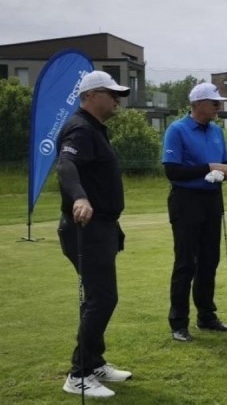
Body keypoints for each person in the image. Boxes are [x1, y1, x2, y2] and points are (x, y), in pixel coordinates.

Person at [56, 70, 133, 398]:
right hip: (84, 227)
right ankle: (79, 374)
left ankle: (94, 362)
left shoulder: (95, 129)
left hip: (101, 227)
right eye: (111, 93)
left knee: (100, 297)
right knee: (101, 298)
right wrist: (80, 197)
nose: (117, 99)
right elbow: (66, 166)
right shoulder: (80, 128)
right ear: (90, 96)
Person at [163, 82, 227, 342]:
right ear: (198, 104)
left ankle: (206, 316)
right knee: (186, 262)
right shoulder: (177, 130)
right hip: (186, 200)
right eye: (215, 103)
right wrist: (208, 167)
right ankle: (178, 322)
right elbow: (172, 170)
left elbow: (225, 163)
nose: (219, 107)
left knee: (209, 260)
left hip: (211, 199)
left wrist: (225, 171)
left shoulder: (216, 131)